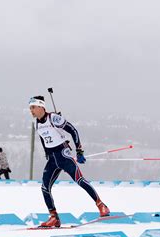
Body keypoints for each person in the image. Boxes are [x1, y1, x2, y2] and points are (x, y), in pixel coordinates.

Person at [29, 96, 110, 227]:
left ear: (41, 107)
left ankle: (101, 205)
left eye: (33, 107)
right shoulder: (36, 123)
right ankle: (54, 217)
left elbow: (73, 130)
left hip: (63, 155)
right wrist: (47, 154)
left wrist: (79, 151)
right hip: (52, 159)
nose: (31, 111)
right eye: (30, 108)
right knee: (45, 187)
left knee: (80, 180)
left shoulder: (54, 118)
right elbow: (43, 140)